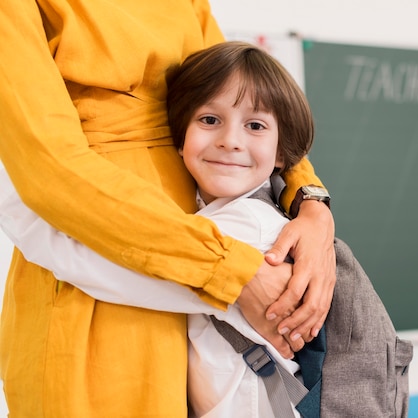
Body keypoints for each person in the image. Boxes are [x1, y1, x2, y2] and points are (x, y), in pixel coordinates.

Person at [0, 3, 336, 417]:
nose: (230, 140)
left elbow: (242, 89)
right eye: (210, 121)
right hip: (105, 249)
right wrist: (233, 272)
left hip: (193, 247)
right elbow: (49, 167)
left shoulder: (250, 223)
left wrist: (312, 201)